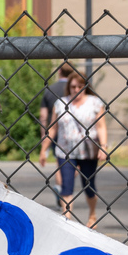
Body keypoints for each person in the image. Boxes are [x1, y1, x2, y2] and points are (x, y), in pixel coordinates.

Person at [40, 73, 108, 227]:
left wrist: (103, 146)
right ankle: (67, 220)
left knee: (89, 185)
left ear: (85, 87)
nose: (76, 90)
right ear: (68, 87)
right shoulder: (60, 103)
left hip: (88, 151)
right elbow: (53, 128)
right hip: (65, 151)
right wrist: (44, 150)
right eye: (73, 87)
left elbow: (101, 126)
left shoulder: (95, 103)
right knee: (66, 184)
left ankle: (92, 215)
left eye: (79, 87)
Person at [38, 63, 80, 201]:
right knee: (76, 161)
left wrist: (44, 134)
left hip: (55, 130)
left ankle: (60, 187)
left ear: (59, 71)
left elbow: (43, 115)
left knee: (60, 161)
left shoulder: (50, 89)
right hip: (77, 130)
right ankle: (64, 187)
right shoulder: (77, 89)